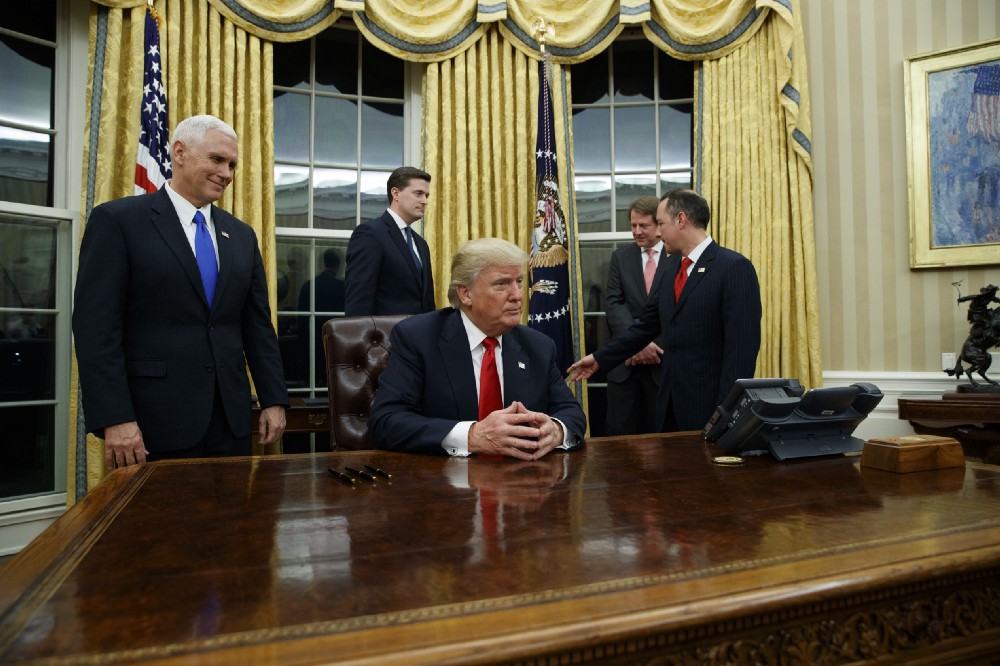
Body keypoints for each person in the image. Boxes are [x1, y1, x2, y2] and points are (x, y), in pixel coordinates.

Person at [73, 114, 288, 468]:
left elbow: (257, 326)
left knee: (233, 523)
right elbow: (96, 330)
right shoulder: (118, 222)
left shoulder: (242, 236)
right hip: (152, 422)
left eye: (232, 164)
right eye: (217, 160)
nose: (227, 173)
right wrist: (116, 417)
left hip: (230, 422)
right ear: (179, 153)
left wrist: (273, 398)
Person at [369, 238, 586, 459]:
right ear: (465, 294)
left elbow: (572, 413)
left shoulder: (538, 346)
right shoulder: (418, 338)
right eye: (502, 284)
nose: (518, 295)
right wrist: (472, 436)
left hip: (520, 484)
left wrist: (557, 430)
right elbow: (386, 421)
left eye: (519, 282)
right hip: (444, 484)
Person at [568, 189, 761, 432]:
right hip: (669, 404)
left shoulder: (733, 268)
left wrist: (725, 412)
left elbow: (741, 352)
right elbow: (645, 328)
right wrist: (599, 359)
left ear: (681, 220)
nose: (657, 233)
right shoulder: (672, 272)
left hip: (710, 408)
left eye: (660, 223)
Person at [603, 196, 669, 435]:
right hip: (625, 364)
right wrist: (636, 344)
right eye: (633, 226)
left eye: (644, 226)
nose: (637, 231)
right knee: (620, 437)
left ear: (659, 226)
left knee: (663, 436)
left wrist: (652, 345)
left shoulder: (677, 258)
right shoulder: (621, 258)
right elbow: (613, 304)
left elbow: (678, 309)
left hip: (662, 363)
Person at [344, 166, 435, 316]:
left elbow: (427, 303)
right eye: (418, 193)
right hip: (383, 337)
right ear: (396, 193)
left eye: (426, 195)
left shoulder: (421, 244)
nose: (424, 201)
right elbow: (358, 302)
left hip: (418, 337)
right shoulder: (370, 234)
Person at [297, 247, 346, 385]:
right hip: (336, 340)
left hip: (311, 339)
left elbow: (301, 320)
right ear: (338, 265)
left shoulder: (308, 286)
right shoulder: (342, 287)